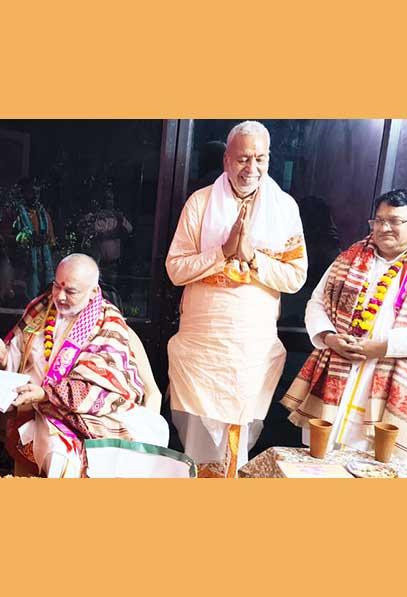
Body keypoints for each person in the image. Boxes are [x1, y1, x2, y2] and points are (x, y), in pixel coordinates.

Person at [282, 189, 407, 470]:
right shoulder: (351, 256)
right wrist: (329, 338)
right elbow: (316, 302)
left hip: (394, 380)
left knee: (375, 469)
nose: (383, 228)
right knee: (319, 461)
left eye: (395, 221)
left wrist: (384, 347)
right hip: (338, 373)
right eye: (378, 220)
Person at [166, 121, 307, 478]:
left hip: (251, 346)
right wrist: (223, 252)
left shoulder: (285, 208)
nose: (251, 168)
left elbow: (295, 277)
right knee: (198, 429)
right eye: (243, 159)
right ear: (227, 159)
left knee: (241, 428)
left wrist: (253, 258)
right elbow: (176, 269)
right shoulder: (200, 203)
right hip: (203, 345)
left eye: (260, 159)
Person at [0, 253, 169, 477]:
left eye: (71, 291)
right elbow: (18, 360)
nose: (59, 296)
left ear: (93, 291)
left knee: (65, 455)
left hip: (86, 414)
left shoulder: (108, 324)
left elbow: (102, 385)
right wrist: (3, 358)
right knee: (57, 452)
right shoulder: (40, 309)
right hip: (37, 409)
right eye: (56, 286)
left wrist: (46, 394)